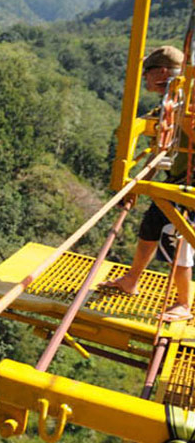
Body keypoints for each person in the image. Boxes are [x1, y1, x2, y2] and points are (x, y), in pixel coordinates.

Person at [100, 45, 194, 322]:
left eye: (148, 74)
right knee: (151, 226)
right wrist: (137, 185)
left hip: (189, 181)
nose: (145, 80)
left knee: (175, 235)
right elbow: (158, 145)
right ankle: (131, 280)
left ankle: (183, 304)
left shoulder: (185, 97)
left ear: (162, 72)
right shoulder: (173, 99)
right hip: (179, 176)